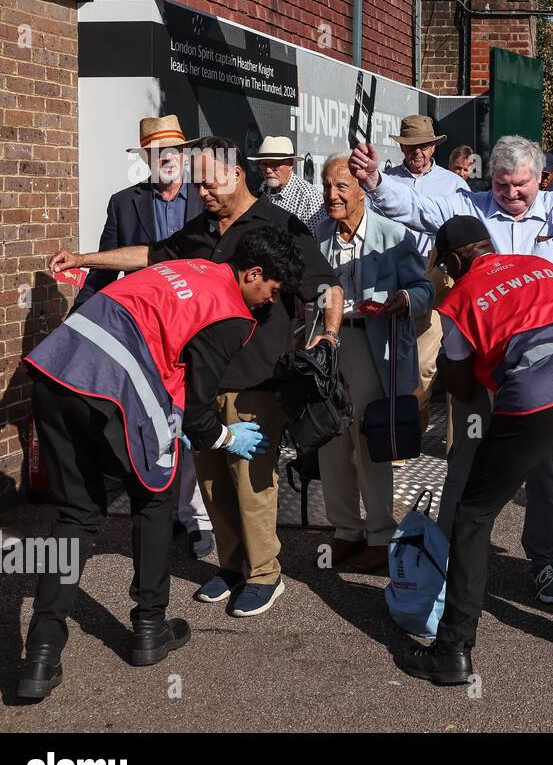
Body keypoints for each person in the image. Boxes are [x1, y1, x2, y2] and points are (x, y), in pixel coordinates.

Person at [349, 133, 553, 603]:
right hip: (482, 359)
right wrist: (375, 180)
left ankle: (545, 561)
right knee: (465, 460)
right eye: (501, 185)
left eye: (521, 185)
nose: (511, 194)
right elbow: (414, 210)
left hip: (545, 367)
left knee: (546, 469)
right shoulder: (470, 206)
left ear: (543, 177)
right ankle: (444, 556)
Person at [50, 137, 342, 618]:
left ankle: (266, 573)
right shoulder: (203, 227)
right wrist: (86, 260)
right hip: (200, 379)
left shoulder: (278, 225)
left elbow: (326, 285)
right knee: (212, 482)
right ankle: (231, 566)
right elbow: (151, 255)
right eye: (198, 181)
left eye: (211, 180)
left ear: (238, 174)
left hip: (258, 377)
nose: (202, 190)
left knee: (251, 480)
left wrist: (328, 338)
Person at [18, 226, 303, 700]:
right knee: (155, 496)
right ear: (253, 274)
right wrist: (226, 436)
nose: (269, 303)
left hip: (57, 370)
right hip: (114, 385)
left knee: (76, 516)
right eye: (271, 291)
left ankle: (41, 653)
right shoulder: (230, 313)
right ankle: (149, 627)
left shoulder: (189, 269)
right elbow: (196, 416)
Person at [401, 216, 553, 685]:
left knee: (474, 513)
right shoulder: (541, 266)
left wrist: (448, 362)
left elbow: (464, 391)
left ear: (450, 262)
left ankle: (454, 649)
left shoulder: (460, 298)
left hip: (538, 395)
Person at [74, 115, 213, 556]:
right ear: (147, 158)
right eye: (156, 152)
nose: (166, 158)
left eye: (173, 150)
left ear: (184, 155)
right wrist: (79, 318)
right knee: (150, 419)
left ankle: (196, 517)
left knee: (190, 417)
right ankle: (160, 508)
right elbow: (106, 265)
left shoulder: (206, 200)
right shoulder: (123, 203)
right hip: (145, 331)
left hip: (195, 327)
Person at [315, 154, 433, 574]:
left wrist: (402, 300)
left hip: (372, 344)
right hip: (327, 347)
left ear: (362, 189)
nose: (332, 195)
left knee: (370, 442)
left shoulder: (392, 234)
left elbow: (424, 290)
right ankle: (345, 531)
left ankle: (382, 536)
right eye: (327, 185)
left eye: (342, 187)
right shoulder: (318, 232)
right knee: (331, 441)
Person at [381, 115, 470, 431]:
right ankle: (409, 430)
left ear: (433, 146)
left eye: (422, 146)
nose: (416, 152)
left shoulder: (454, 185)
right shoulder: (384, 181)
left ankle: (431, 435)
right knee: (398, 364)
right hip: (394, 279)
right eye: (409, 146)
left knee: (424, 363)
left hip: (439, 277)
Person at [250, 136, 326, 236]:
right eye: (264, 164)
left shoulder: (309, 197)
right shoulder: (264, 188)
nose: (268, 170)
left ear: (290, 164)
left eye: (275, 164)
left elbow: (317, 240)